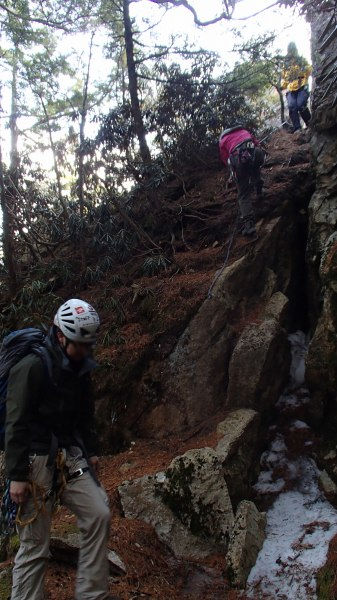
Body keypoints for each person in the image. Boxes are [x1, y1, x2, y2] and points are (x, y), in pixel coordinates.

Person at [5, 299, 120, 600]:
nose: (85, 351)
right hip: (35, 461)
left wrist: (91, 451)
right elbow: (15, 423)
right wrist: (16, 476)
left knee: (98, 513)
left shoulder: (80, 366)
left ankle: (92, 594)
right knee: (34, 546)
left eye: (88, 345)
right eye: (79, 345)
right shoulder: (31, 367)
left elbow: (84, 413)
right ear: (60, 336)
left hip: (70, 456)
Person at [219, 124, 265, 237]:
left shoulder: (223, 140)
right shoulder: (243, 131)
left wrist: (233, 172)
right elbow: (256, 143)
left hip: (239, 159)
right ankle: (258, 186)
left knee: (243, 194)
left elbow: (225, 159)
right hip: (256, 154)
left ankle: (249, 226)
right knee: (254, 166)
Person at [281, 42, 312, 133]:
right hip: (291, 89)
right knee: (292, 106)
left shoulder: (301, 60)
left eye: (292, 50)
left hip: (302, 86)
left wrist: (303, 77)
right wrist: (283, 85)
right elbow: (283, 78)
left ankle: (309, 123)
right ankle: (297, 128)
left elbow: (309, 69)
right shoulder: (286, 64)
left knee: (301, 105)